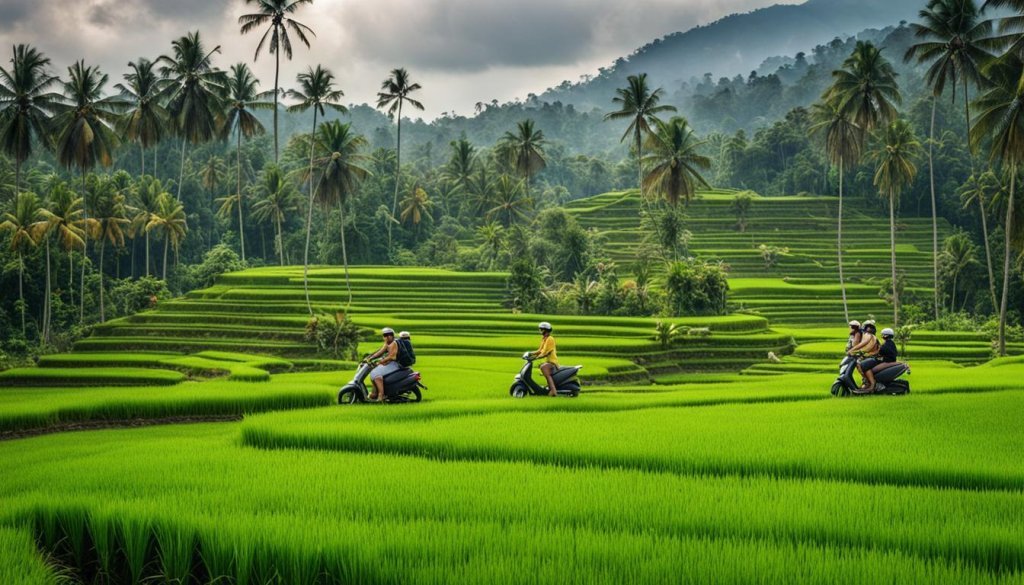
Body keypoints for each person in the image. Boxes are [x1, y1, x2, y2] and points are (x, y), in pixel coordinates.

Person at [855, 327, 898, 394]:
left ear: (886, 335)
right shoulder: (889, 343)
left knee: (865, 366)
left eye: (883, 334)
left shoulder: (887, 344)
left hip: (885, 361)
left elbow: (878, 352)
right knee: (865, 363)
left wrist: (867, 354)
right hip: (883, 360)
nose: (882, 336)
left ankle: (872, 385)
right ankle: (867, 383)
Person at [367, 327, 400, 402]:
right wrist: (370, 358)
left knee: (376, 374)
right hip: (391, 363)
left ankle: (381, 395)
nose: (387, 336)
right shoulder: (387, 343)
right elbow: (380, 352)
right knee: (374, 372)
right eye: (385, 335)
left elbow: (393, 356)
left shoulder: (394, 343)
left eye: (389, 334)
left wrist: (382, 361)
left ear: (392, 335)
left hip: (396, 364)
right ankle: (374, 393)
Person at [529, 321, 559, 396]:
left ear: (545, 330)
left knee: (543, 367)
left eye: (541, 329)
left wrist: (536, 357)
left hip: (552, 362)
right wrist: (530, 353)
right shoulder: (544, 339)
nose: (540, 331)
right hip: (548, 361)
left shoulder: (550, 339)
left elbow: (546, 352)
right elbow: (540, 350)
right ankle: (550, 387)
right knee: (542, 366)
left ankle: (553, 391)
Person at [847, 320, 879, 390]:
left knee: (860, 364)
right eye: (868, 327)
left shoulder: (869, 335)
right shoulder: (868, 335)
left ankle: (871, 383)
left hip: (874, 357)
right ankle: (866, 382)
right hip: (871, 356)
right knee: (859, 363)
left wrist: (853, 350)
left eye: (871, 327)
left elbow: (863, 344)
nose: (869, 329)